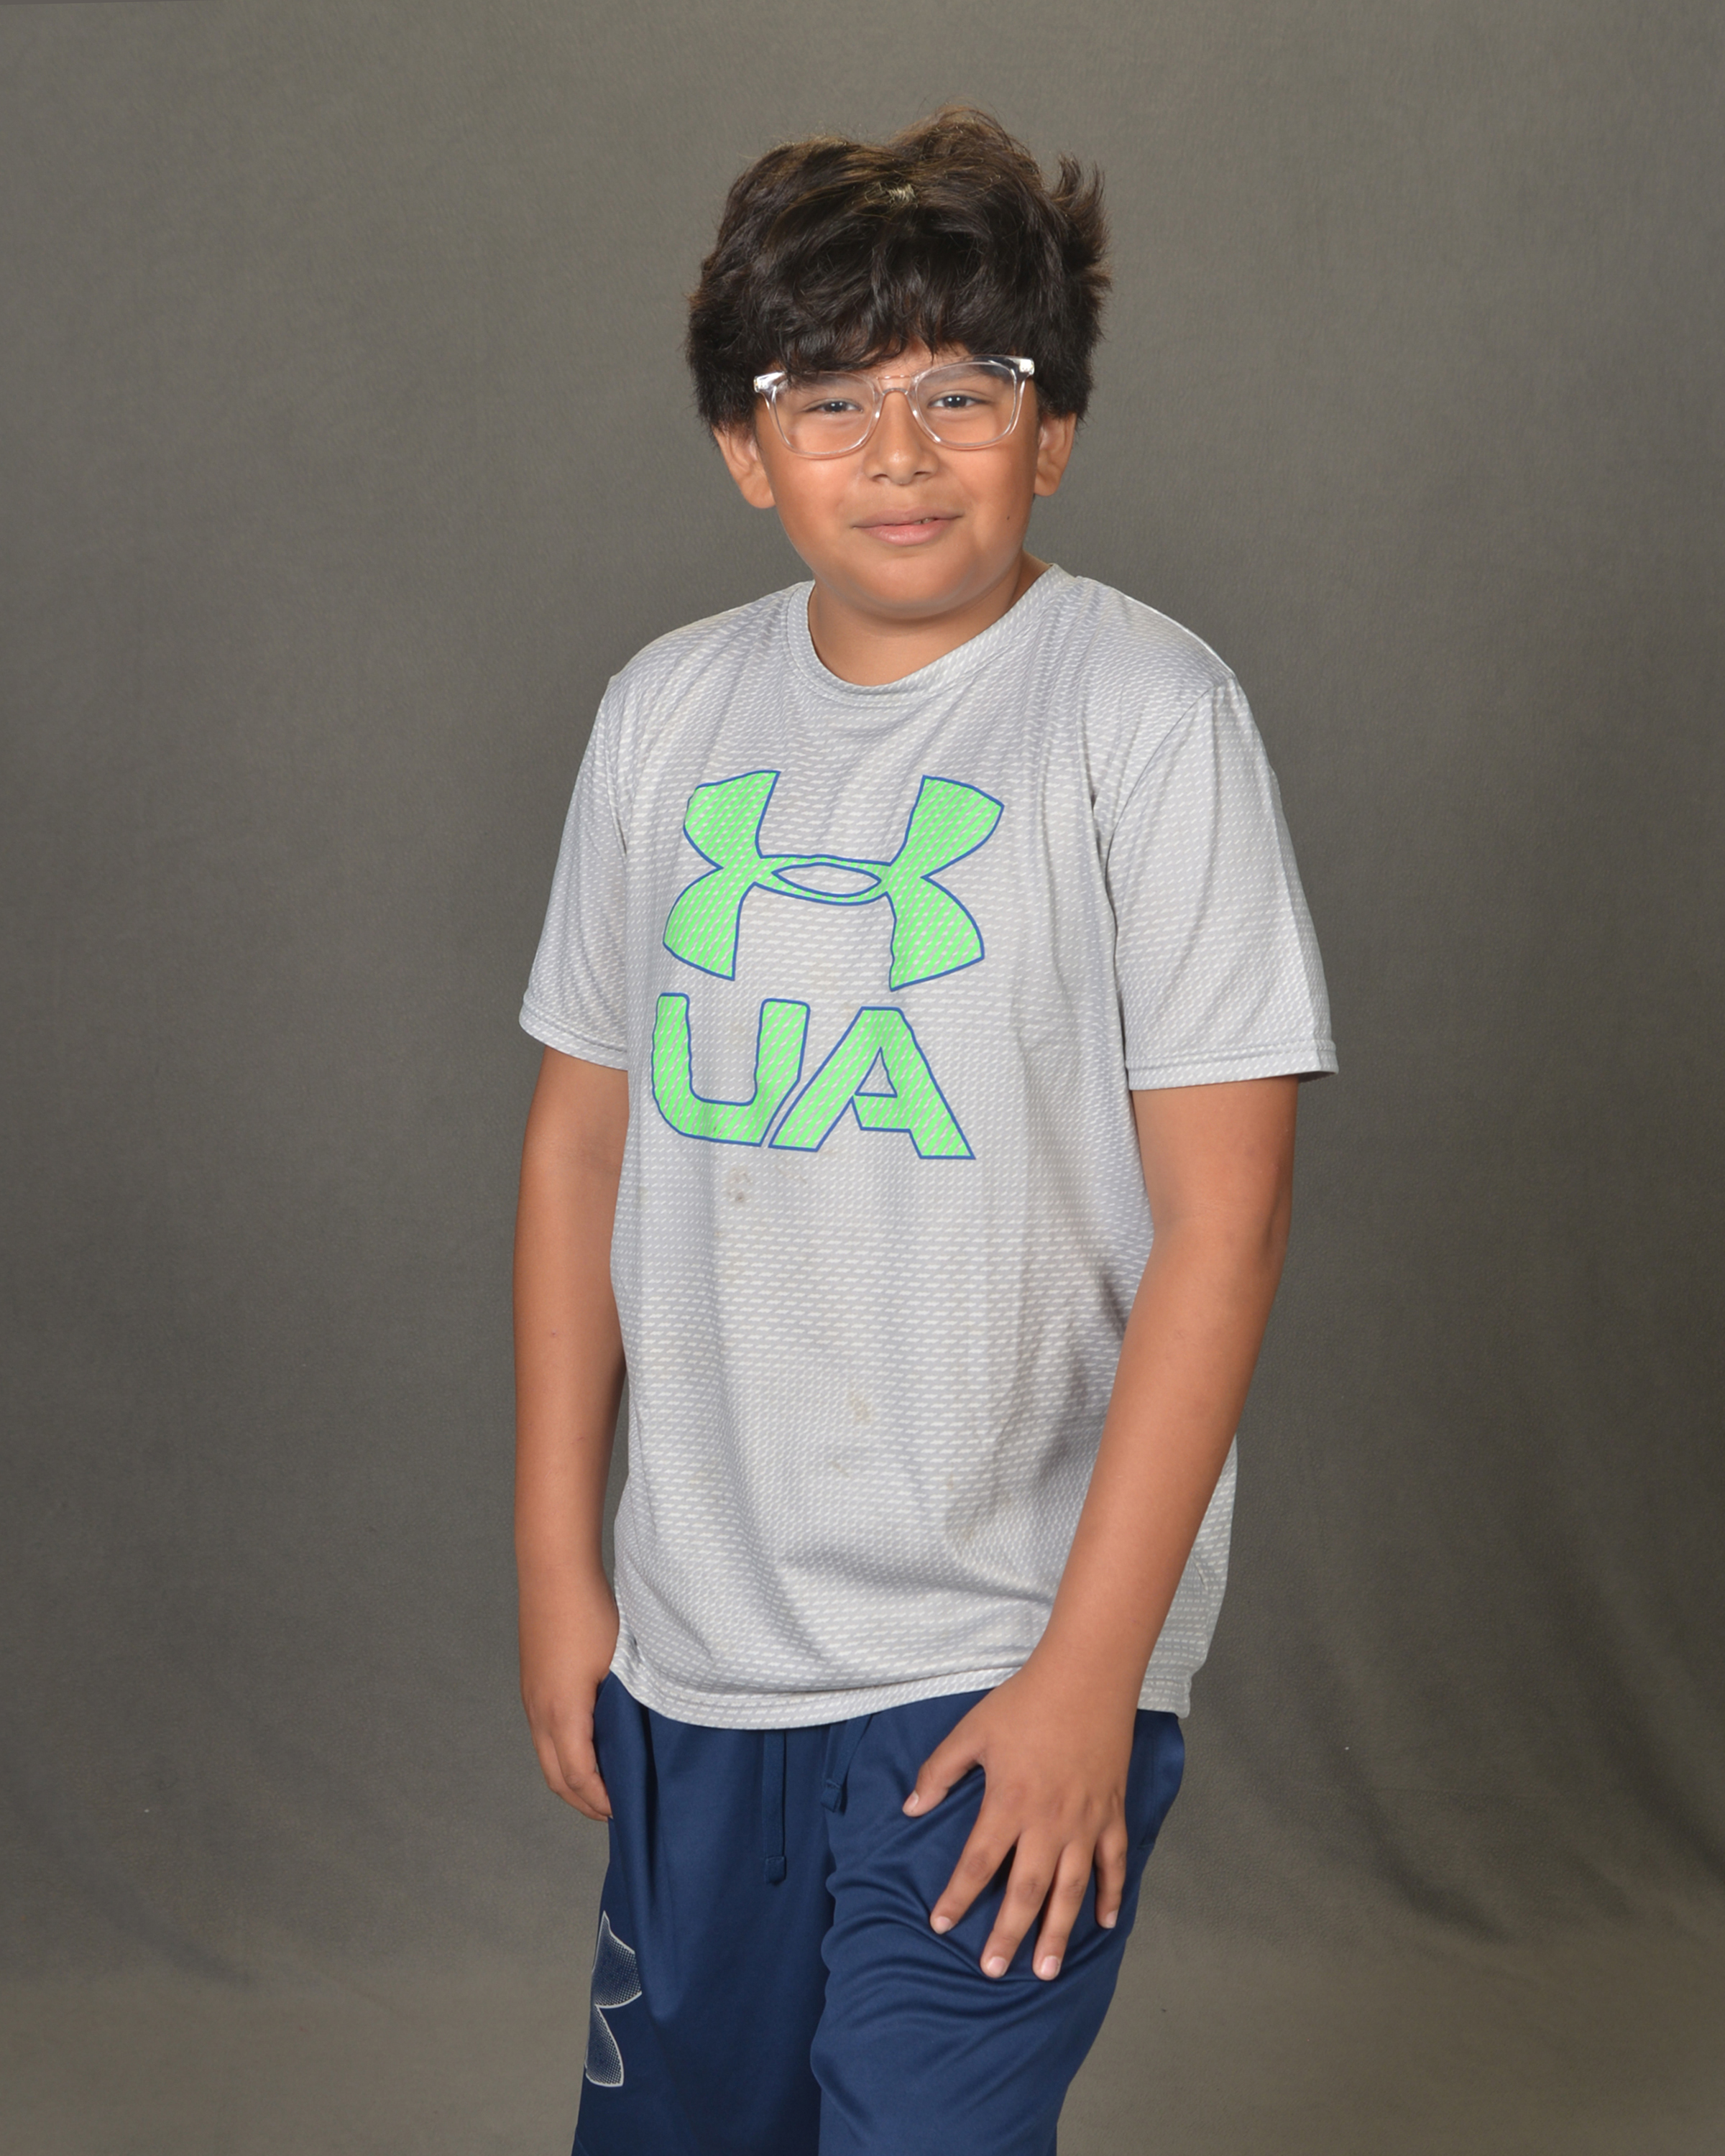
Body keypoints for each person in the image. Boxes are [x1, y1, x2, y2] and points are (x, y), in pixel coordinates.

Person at [513, 106, 1335, 2156]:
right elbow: (582, 1149)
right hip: (704, 1645)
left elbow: (1223, 1227)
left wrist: (1089, 1674)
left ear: (1053, 432)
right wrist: (555, 1561)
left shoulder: (1145, 718)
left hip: (1005, 1647)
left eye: (965, 392)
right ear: (744, 445)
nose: (902, 452)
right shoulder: (663, 716)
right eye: (833, 402)